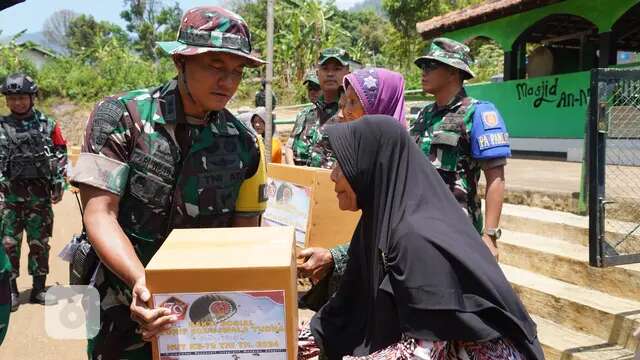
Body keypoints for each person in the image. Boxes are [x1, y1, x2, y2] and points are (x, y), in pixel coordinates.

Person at [70, 7, 268, 359]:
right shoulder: (120, 117)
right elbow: (99, 213)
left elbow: (245, 236)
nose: (228, 82)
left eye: (237, 71)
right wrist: (141, 283)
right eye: (215, 66)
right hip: (120, 304)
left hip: (203, 315)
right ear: (180, 61)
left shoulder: (245, 144)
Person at [303, 116, 543, 360]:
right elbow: (346, 308)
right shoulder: (378, 222)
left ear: (369, 165)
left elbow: (424, 350)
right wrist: (289, 342)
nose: (332, 176)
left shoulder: (416, 237)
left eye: (341, 165)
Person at [298, 68, 406, 307]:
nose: (344, 112)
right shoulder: (366, 156)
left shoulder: (397, 168)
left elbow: (389, 247)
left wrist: (334, 257)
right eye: (344, 101)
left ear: (380, 106)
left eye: (354, 102)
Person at [411, 37, 510, 258]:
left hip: (459, 230)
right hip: (420, 226)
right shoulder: (423, 115)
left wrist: (490, 236)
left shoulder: (479, 113)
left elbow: (496, 177)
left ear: (454, 72)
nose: (423, 72)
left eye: (431, 66)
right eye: (423, 66)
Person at [0, 73, 68, 310]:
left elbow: (60, 153)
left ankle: (39, 288)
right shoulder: (1, 126)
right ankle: (11, 290)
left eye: (22, 98)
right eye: (12, 98)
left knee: (40, 243)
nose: (17, 103)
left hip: (39, 198)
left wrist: (59, 183)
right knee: (9, 244)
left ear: (32, 98)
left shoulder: (47, 125)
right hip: (9, 199)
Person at [309, 67, 406, 169]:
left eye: (353, 102)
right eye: (346, 103)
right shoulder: (356, 145)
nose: (346, 111)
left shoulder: (394, 159)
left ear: (381, 105)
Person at [285, 48, 352, 166]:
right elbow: (289, 148)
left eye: (337, 69)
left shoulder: (352, 115)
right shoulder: (306, 115)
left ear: (348, 73)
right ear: (317, 74)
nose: (330, 74)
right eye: (325, 69)